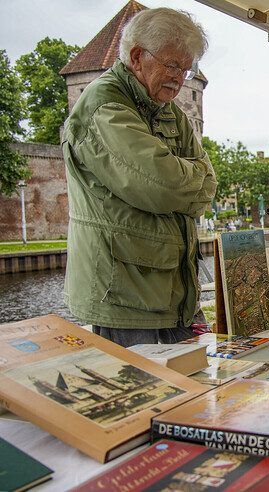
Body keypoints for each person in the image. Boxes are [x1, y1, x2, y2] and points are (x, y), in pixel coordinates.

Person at [62, 8, 216, 347]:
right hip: (125, 295)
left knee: (194, 391)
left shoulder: (168, 109)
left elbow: (207, 182)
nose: (181, 78)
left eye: (186, 69)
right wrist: (188, 179)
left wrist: (184, 179)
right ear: (137, 57)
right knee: (141, 394)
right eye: (174, 65)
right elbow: (161, 185)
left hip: (176, 296)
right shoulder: (103, 105)